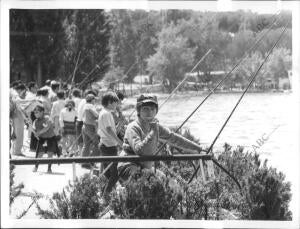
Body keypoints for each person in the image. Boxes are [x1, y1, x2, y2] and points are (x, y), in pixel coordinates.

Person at [118, 94, 203, 182]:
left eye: (152, 109)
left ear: (156, 111)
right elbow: (140, 150)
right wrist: (153, 132)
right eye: (145, 109)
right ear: (138, 111)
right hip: (129, 166)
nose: (149, 112)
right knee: (148, 183)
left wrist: (198, 148)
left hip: (145, 167)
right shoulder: (133, 127)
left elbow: (174, 138)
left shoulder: (156, 127)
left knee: (167, 182)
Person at [98, 91, 122, 199]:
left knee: (107, 174)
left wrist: (120, 125)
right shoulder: (107, 113)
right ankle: (105, 196)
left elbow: (111, 130)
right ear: (109, 102)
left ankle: (104, 194)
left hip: (105, 144)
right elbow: (108, 130)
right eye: (115, 102)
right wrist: (120, 142)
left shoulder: (104, 112)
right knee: (115, 175)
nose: (117, 104)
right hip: (109, 147)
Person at [32, 104, 60, 173]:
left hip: (50, 138)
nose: (35, 114)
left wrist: (38, 133)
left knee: (50, 154)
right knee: (39, 154)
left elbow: (47, 128)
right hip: (42, 139)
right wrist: (35, 134)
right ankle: (36, 167)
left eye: (37, 112)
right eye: (34, 112)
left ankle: (49, 168)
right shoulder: (35, 121)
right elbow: (34, 130)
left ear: (42, 112)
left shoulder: (47, 118)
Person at [80, 94, 99, 169]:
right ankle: (91, 160)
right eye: (94, 99)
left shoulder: (85, 105)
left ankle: (84, 162)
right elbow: (97, 115)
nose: (95, 101)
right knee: (97, 144)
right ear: (92, 100)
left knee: (86, 145)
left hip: (84, 126)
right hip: (90, 127)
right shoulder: (90, 106)